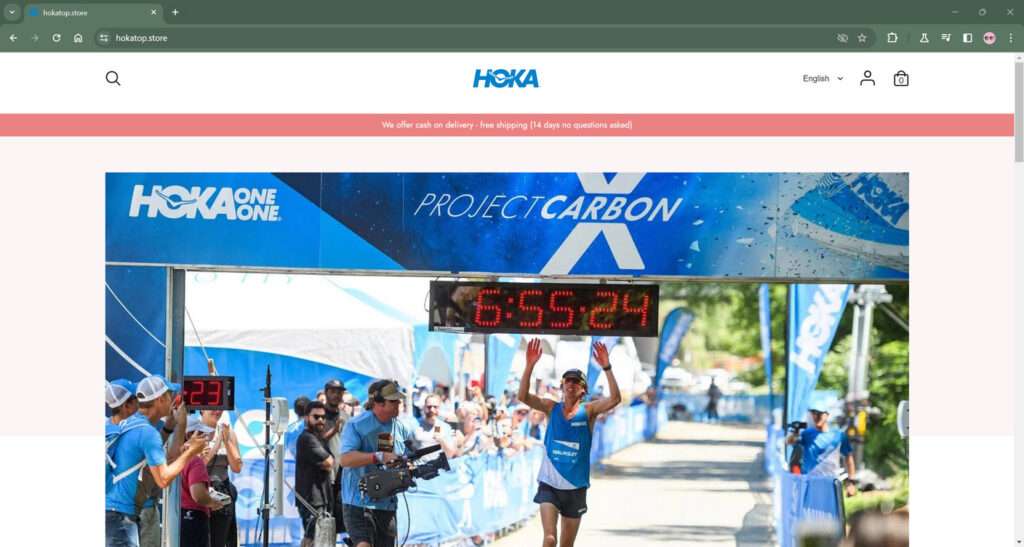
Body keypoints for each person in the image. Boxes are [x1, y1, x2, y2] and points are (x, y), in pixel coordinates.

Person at [518, 339, 621, 547]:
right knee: (549, 539)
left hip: (575, 487)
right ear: (562, 386)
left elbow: (615, 399)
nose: (571, 384)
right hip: (549, 483)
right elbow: (523, 396)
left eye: (576, 382)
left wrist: (607, 367)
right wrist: (529, 365)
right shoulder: (551, 407)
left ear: (583, 390)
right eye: (568, 381)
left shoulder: (589, 411)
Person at [106, 376, 205, 547]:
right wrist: (191, 452)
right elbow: (163, 479)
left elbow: (150, 458)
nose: (174, 400)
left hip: (114, 514)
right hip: (121, 518)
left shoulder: (132, 424)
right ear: (160, 399)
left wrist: (169, 427)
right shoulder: (147, 433)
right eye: (170, 395)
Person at [339, 379, 413, 547]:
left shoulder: (401, 428)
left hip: (387, 505)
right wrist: (378, 456)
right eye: (393, 401)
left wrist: (406, 466)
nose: (398, 404)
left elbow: (405, 458)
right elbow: (345, 459)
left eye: (399, 401)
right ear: (378, 403)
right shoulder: (356, 425)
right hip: (358, 502)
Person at [786, 408, 857, 496]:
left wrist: (851, 482)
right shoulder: (806, 434)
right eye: (813, 413)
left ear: (827, 415)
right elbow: (789, 442)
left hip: (830, 485)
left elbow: (848, 457)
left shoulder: (838, 435)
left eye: (819, 413)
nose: (816, 417)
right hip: (809, 484)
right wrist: (795, 431)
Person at [295, 400, 335, 547]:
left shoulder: (318, 438)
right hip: (311, 499)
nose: (320, 420)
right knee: (311, 539)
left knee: (320, 539)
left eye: (323, 417)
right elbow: (329, 462)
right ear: (306, 417)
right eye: (316, 417)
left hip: (322, 497)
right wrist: (327, 463)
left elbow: (330, 463)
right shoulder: (307, 438)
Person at [181, 417, 226, 547]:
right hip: (193, 518)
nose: (206, 438)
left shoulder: (172, 457)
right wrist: (213, 502)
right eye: (202, 434)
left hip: (176, 518)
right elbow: (199, 495)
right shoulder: (195, 461)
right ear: (189, 435)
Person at [200, 409, 242, 547]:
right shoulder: (194, 432)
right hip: (200, 491)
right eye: (212, 408)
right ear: (202, 409)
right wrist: (217, 444)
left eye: (220, 407)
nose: (216, 411)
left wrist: (227, 441)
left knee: (219, 540)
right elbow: (200, 464)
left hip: (222, 491)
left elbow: (237, 467)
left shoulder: (228, 432)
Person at [414, 393, 458, 459]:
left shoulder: (444, 427)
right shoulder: (414, 424)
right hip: (418, 464)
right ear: (424, 407)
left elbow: (450, 454)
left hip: (437, 464)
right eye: (429, 407)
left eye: (435, 407)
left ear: (439, 408)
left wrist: (441, 440)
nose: (432, 409)